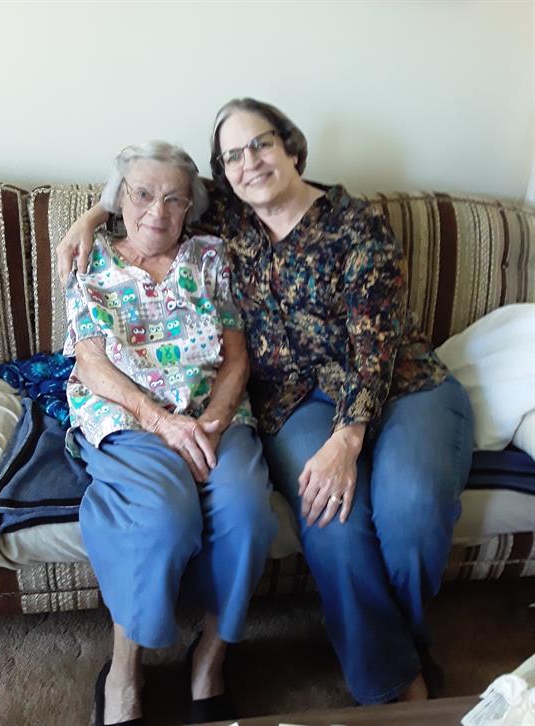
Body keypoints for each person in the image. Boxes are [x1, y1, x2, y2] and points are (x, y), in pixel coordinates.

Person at [57, 101, 474, 707]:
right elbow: (150, 194)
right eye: (233, 155)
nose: (249, 162)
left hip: (400, 384)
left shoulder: (354, 224)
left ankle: (397, 651)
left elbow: (373, 346)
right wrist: (92, 215)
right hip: (298, 401)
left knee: (409, 511)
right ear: (225, 174)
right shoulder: (228, 216)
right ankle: (395, 678)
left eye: (261, 144)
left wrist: (347, 438)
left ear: (291, 148)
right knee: (330, 517)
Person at [62, 140, 277, 726]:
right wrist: (161, 421)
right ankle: (124, 673)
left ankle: (209, 659)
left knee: (249, 515)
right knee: (161, 516)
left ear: (190, 208)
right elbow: (90, 363)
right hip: (130, 414)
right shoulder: (89, 257)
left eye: (174, 199)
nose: (157, 211)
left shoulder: (212, 256)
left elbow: (236, 357)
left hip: (213, 415)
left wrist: (212, 420)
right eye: (143, 195)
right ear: (120, 200)